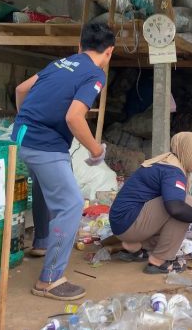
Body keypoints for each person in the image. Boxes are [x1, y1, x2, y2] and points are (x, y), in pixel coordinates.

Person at [12, 22, 115, 300]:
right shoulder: (95, 74)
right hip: (45, 145)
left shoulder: (61, 63)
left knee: (48, 187)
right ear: (109, 52)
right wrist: (96, 150)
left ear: (79, 46)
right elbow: (74, 117)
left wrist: (28, 120)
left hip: (21, 139)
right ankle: (50, 279)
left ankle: (43, 242)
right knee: (70, 204)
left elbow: (22, 89)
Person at [109, 132, 192, 274]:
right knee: (185, 204)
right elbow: (176, 209)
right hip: (128, 223)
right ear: (188, 153)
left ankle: (135, 246)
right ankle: (158, 261)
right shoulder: (172, 171)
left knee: (179, 204)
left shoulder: (166, 162)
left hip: (122, 222)